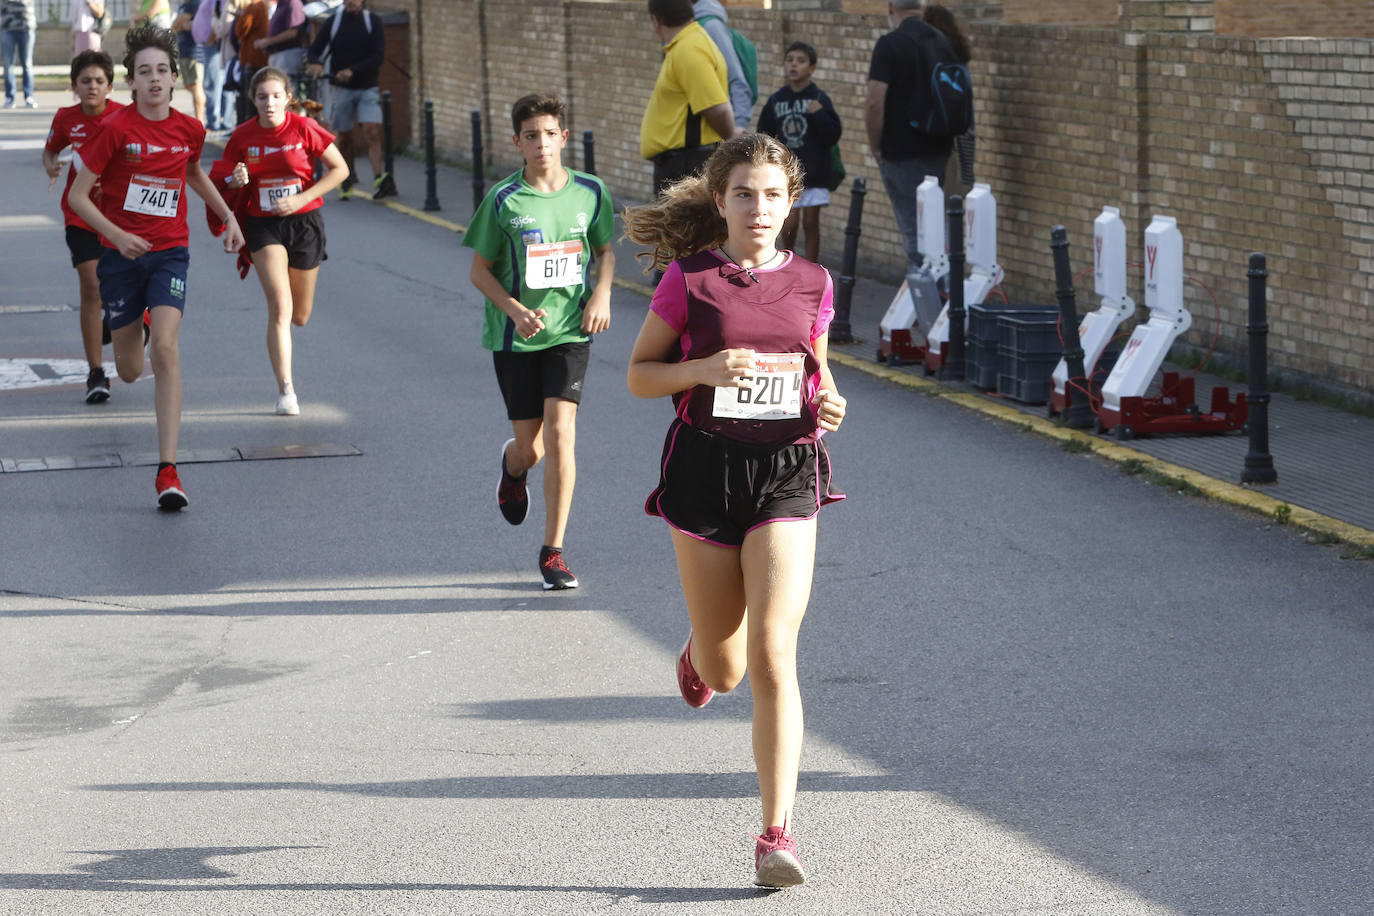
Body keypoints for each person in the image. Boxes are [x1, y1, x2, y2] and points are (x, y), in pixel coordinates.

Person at [622, 132, 846, 889]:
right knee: (725, 666)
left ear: (792, 203)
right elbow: (641, 376)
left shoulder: (815, 281)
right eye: (744, 194)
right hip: (705, 470)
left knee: (775, 652)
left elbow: (817, 364)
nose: (759, 208)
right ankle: (698, 653)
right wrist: (704, 369)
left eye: (773, 195)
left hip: (787, 471)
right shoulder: (691, 282)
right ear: (719, 201)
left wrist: (830, 401)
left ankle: (775, 834)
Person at [67, 24, 245, 510]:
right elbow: (78, 196)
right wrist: (118, 235)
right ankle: (134, 325)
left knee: (166, 351)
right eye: (143, 72)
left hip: (170, 252)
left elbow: (191, 172)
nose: (154, 80)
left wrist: (228, 215)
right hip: (121, 258)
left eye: (161, 71)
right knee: (127, 370)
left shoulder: (189, 128)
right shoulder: (115, 129)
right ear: (132, 82)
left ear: (172, 78)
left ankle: (168, 470)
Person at [462, 92, 614, 591]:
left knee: (561, 434)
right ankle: (512, 466)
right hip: (515, 337)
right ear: (517, 142)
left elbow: (606, 251)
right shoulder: (504, 200)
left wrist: (601, 297)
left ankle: (553, 552)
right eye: (531, 136)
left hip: (570, 331)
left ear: (564, 138)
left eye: (550, 134)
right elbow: (479, 272)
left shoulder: (591, 192)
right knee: (532, 449)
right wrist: (515, 310)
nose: (542, 144)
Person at [219, 66, 348, 415]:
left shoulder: (304, 128)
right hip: (263, 225)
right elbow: (223, 179)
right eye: (262, 97)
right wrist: (235, 179)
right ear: (252, 100)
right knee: (279, 305)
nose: (269, 103)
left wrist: (301, 199)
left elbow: (341, 169)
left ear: (288, 98)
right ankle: (286, 390)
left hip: (304, 222)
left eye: (276, 96)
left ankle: (287, 346)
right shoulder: (242, 136)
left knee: (300, 315)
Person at [42, 49, 126, 404]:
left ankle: (135, 321)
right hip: (80, 214)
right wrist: (51, 166)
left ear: (109, 85)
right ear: (74, 86)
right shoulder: (66, 118)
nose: (92, 86)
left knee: (122, 288)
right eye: (85, 81)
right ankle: (96, 373)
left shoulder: (124, 117)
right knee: (91, 286)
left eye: (99, 81)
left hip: (121, 217)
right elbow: (50, 150)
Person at [865, 0, 953, 270]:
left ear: (891, 8)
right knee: (938, 226)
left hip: (901, 151)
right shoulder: (942, 41)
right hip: (940, 148)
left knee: (915, 234)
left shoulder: (890, 44)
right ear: (922, 8)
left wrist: (875, 146)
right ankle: (949, 295)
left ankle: (928, 304)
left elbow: (875, 102)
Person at [640, 0, 737, 199]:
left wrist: (731, 143)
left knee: (683, 230)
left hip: (687, 166)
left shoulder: (689, 48)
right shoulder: (689, 44)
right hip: (683, 164)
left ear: (656, 20)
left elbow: (717, 108)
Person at [756, 41, 841, 263]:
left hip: (814, 172)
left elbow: (833, 135)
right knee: (790, 223)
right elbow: (764, 134)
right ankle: (790, 261)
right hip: (785, 174)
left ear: (812, 68)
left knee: (811, 223)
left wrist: (820, 114)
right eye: (790, 60)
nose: (794, 65)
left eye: (801, 61)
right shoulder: (777, 99)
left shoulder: (819, 99)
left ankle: (812, 267)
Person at [306, 0, 394, 199]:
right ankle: (347, 177)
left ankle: (379, 178)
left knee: (372, 130)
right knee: (344, 137)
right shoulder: (334, 22)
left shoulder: (373, 21)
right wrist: (316, 64)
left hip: (368, 87)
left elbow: (378, 56)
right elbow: (314, 50)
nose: (352, 2)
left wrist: (352, 71)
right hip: (342, 90)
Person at [923, 3, 974, 187]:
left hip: (937, 141)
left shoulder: (929, 56)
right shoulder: (960, 57)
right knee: (958, 194)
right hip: (963, 135)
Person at [692, 0, 750, 130]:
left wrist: (740, 124)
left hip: (718, 131)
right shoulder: (688, 25)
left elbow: (736, 77)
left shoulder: (712, 26)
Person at [190, 0, 227, 131]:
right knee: (210, 83)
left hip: (211, 46)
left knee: (212, 84)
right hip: (204, 46)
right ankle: (214, 120)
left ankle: (214, 122)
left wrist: (212, 37)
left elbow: (222, 16)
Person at [233, 0, 268, 125]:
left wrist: (239, 19)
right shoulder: (260, 6)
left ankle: (249, 126)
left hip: (252, 59)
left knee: (249, 98)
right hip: (254, 58)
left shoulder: (255, 6)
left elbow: (241, 30)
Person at [172, 0, 206, 126]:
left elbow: (177, 23)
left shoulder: (195, 3)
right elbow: (174, 26)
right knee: (189, 85)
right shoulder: (184, 6)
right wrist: (180, 25)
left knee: (196, 86)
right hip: (184, 51)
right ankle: (203, 103)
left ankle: (200, 120)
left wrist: (180, 24)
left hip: (194, 52)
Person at [1, 0, 36, 109]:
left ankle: (29, 96)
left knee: (27, 64)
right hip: (7, 28)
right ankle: (10, 97)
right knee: (8, 65)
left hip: (26, 27)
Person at [258, 0, 306, 78]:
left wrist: (268, 42)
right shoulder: (281, 4)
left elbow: (293, 33)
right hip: (278, 54)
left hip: (288, 54)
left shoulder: (293, 3)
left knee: (286, 84)